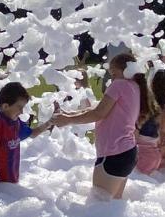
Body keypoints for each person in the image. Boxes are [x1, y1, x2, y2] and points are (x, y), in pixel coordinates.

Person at [49, 51, 146, 199]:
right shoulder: (134, 86)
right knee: (114, 204)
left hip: (114, 154)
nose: (112, 79)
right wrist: (69, 114)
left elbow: (98, 113)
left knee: (99, 205)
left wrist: (67, 120)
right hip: (127, 153)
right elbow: (97, 108)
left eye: (114, 74)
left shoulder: (119, 85)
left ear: (127, 71)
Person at [0, 82, 52, 194]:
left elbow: (33, 133)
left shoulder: (16, 123)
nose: (22, 111)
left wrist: (49, 123)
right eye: (19, 107)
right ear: (5, 106)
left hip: (11, 180)